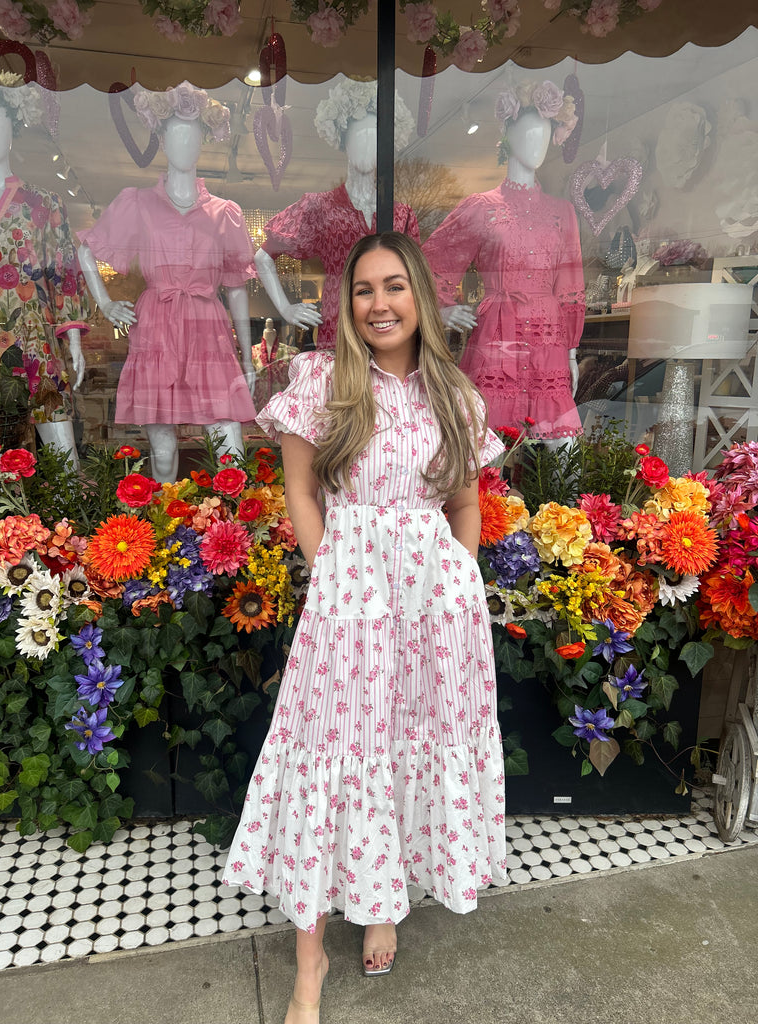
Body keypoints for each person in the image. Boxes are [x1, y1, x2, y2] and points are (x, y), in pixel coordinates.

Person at [222, 232, 507, 1024]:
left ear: (419, 296)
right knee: (335, 751)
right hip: (350, 592)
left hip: (435, 604)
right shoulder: (318, 382)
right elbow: (302, 493)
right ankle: (308, 964)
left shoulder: (456, 395)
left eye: (393, 287)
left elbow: (463, 501)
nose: (378, 304)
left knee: (410, 744)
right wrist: (332, 574)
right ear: (347, 306)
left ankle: (384, 899)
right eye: (361, 291)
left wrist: (457, 575)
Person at [78, 82, 257, 483]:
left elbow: (237, 285)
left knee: (230, 440)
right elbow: (86, 249)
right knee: (162, 449)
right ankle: (164, 531)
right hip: (156, 324)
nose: (184, 145)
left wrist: (247, 357)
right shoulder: (138, 203)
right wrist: (105, 303)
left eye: (192, 137)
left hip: (207, 328)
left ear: (203, 143)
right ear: (161, 141)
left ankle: (231, 537)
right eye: (175, 136)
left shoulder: (224, 212)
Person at [422, 79, 585, 448]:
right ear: (508, 136)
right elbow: (429, 263)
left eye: (544, 135)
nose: (537, 145)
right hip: (498, 334)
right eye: (528, 134)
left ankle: (565, 509)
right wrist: (443, 309)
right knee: (487, 451)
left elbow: (571, 285)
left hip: (549, 340)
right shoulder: (480, 208)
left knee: (563, 454)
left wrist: (572, 350)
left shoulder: (564, 212)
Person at [254, 77, 420, 351]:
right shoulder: (318, 206)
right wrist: (285, 309)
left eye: (375, 139)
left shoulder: (401, 214)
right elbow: (263, 257)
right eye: (359, 137)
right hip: (339, 328)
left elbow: (417, 280)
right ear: (343, 142)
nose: (368, 147)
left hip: (389, 329)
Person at [0, 72, 90, 467]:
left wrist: (75, 342)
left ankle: (72, 520)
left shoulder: (42, 202)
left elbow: (64, 271)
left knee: (60, 442)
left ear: (12, 131)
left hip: (32, 335)